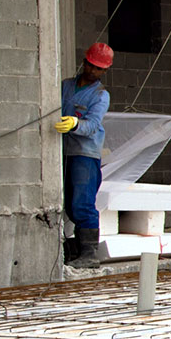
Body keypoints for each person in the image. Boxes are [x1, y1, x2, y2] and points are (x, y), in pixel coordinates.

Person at [57, 42, 112, 267]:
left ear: (104, 71)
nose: (92, 70)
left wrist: (74, 123)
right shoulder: (66, 86)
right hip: (64, 151)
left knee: (83, 203)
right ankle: (78, 249)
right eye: (90, 65)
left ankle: (89, 254)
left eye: (98, 68)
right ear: (84, 62)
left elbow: (91, 126)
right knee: (70, 204)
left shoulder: (100, 95)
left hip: (85, 154)